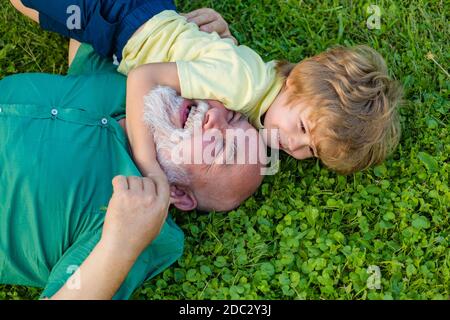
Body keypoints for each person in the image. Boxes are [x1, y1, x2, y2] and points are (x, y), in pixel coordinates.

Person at [0, 32, 265, 301]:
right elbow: (90, 25)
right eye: (231, 114)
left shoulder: (136, 222)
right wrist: (192, 38)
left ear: (178, 193)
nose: (215, 117)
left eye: (220, 148)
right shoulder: (131, 85)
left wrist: (120, 243)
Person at [11, 0, 402, 177]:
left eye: (311, 152)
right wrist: (149, 168)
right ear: (298, 82)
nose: (294, 147)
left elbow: (214, 54)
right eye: (302, 128)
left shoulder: (259, 85)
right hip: (119, 20)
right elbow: (142, 79)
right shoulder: (241, 86)